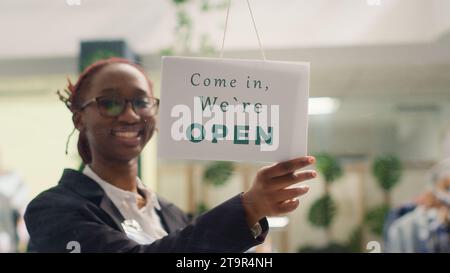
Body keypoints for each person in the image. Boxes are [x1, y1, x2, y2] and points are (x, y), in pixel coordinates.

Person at [24, 57, 316, 253]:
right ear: (79, 119)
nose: (129, 115)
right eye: (110, 103)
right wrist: (248, 207)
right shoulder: (52, 211)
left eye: (141, 101)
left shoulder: (172, 215)